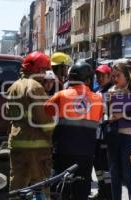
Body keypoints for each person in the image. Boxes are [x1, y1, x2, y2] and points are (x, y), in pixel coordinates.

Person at [44, 61, 103, 200]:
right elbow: (99, 117)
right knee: (81, 192)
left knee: (59, 190)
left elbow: (47, 110)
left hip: (63, 152)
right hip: (86, 154)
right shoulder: (98, 99)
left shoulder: (61, 95)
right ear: (88, 79)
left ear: (70, 78)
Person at [5, 51, 54, 198]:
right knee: (41, 185)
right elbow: (44, 119)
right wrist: (53, 136)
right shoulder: (35, 87)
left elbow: (9, 115)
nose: (46, 74)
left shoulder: (13, 86)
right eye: (45, 70)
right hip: (36, 147)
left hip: (17, 143)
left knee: (17, 185)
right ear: (38, 70)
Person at [106, 62, 131, 200]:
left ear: (126, 75)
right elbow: (105, 113)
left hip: (130, 138)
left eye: (118, 75)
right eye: (113, 76)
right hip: (114, 137)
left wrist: (123, 115)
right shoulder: (111, 91)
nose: (115, 79)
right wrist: (109, 117)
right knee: (114, 175)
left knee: (129, 176)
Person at [90, 64, 113, 200]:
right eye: (97, 75)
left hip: (106, 136)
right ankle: (102, 190)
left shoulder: (112, 92)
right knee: (97, 165)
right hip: (96, 136)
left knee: (106, 167)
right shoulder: (97, 92)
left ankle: (108, 193)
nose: (99, 78)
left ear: (109, 76)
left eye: (102, 76)